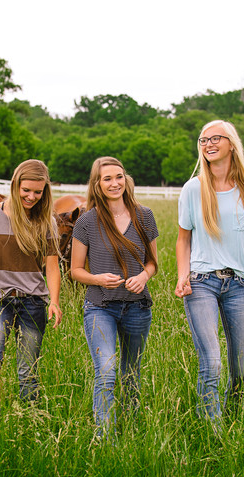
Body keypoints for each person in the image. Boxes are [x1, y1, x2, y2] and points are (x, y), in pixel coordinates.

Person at [175, 120, 244, 431]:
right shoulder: (193, 189)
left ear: (231, 143)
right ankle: (213, 432)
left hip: (240, 285)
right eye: (203, 139)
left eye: (215, 138)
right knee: (212, 363)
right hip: (201, 283)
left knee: (242, 370)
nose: (208, 144)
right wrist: (183, 275)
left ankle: (236, 424)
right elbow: (183, 239)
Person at [0, 159, 62, 400]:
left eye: (38, 192)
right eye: (26, 190)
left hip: (34, 302)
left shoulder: (47, 222)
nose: (31, 197)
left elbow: (53, 266)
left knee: (28, 369)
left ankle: (29, 416)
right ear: (15, 185)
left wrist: (55, 301)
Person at [71, 157, 159, 438]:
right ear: (97, 184)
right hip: (100, 307)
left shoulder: (144, 216)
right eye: (107, 178)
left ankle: (131, 429)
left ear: (126, 179)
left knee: (131, 373)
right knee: (106, 371)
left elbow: (153, 263)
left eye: (119, 177)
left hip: (137, 308)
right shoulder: (86, 221)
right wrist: (97, 279)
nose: (114, 183)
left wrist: (144, 276)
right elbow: (75, 270)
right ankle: (104, 437)